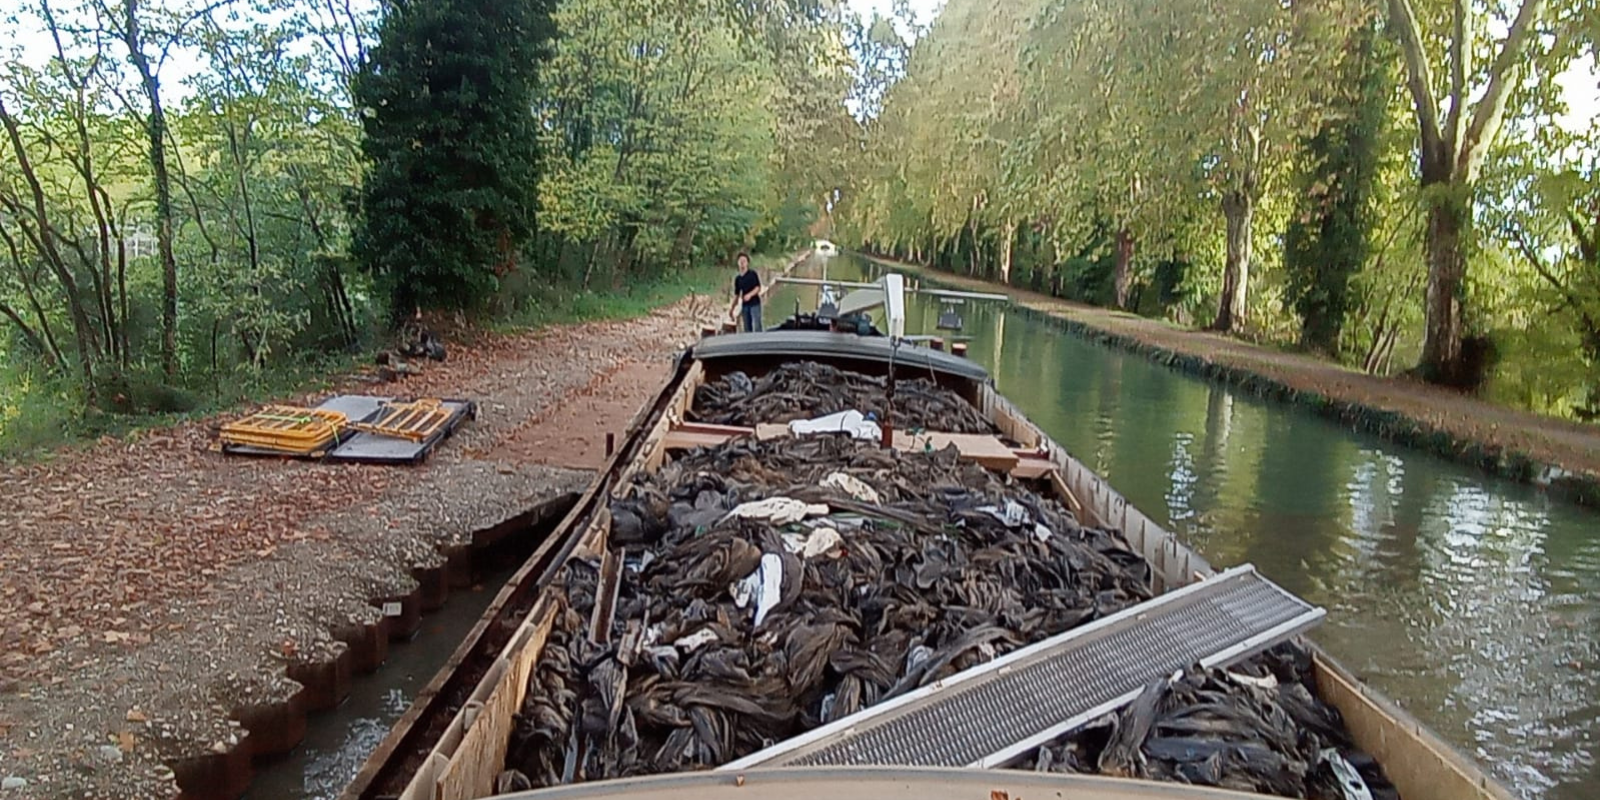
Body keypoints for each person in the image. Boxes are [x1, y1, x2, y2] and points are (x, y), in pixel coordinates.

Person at [729, 252, 763, 332]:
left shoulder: (752, 274)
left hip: (755, 304)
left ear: (747, 263)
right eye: (740, 261)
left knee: (757, 325)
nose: (742, 263)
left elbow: (758, 288)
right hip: (745, 305)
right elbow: (737, 295)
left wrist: (750, 295)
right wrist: (732, 309)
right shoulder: (738, 279)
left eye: (744, 261)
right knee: (747, 327)